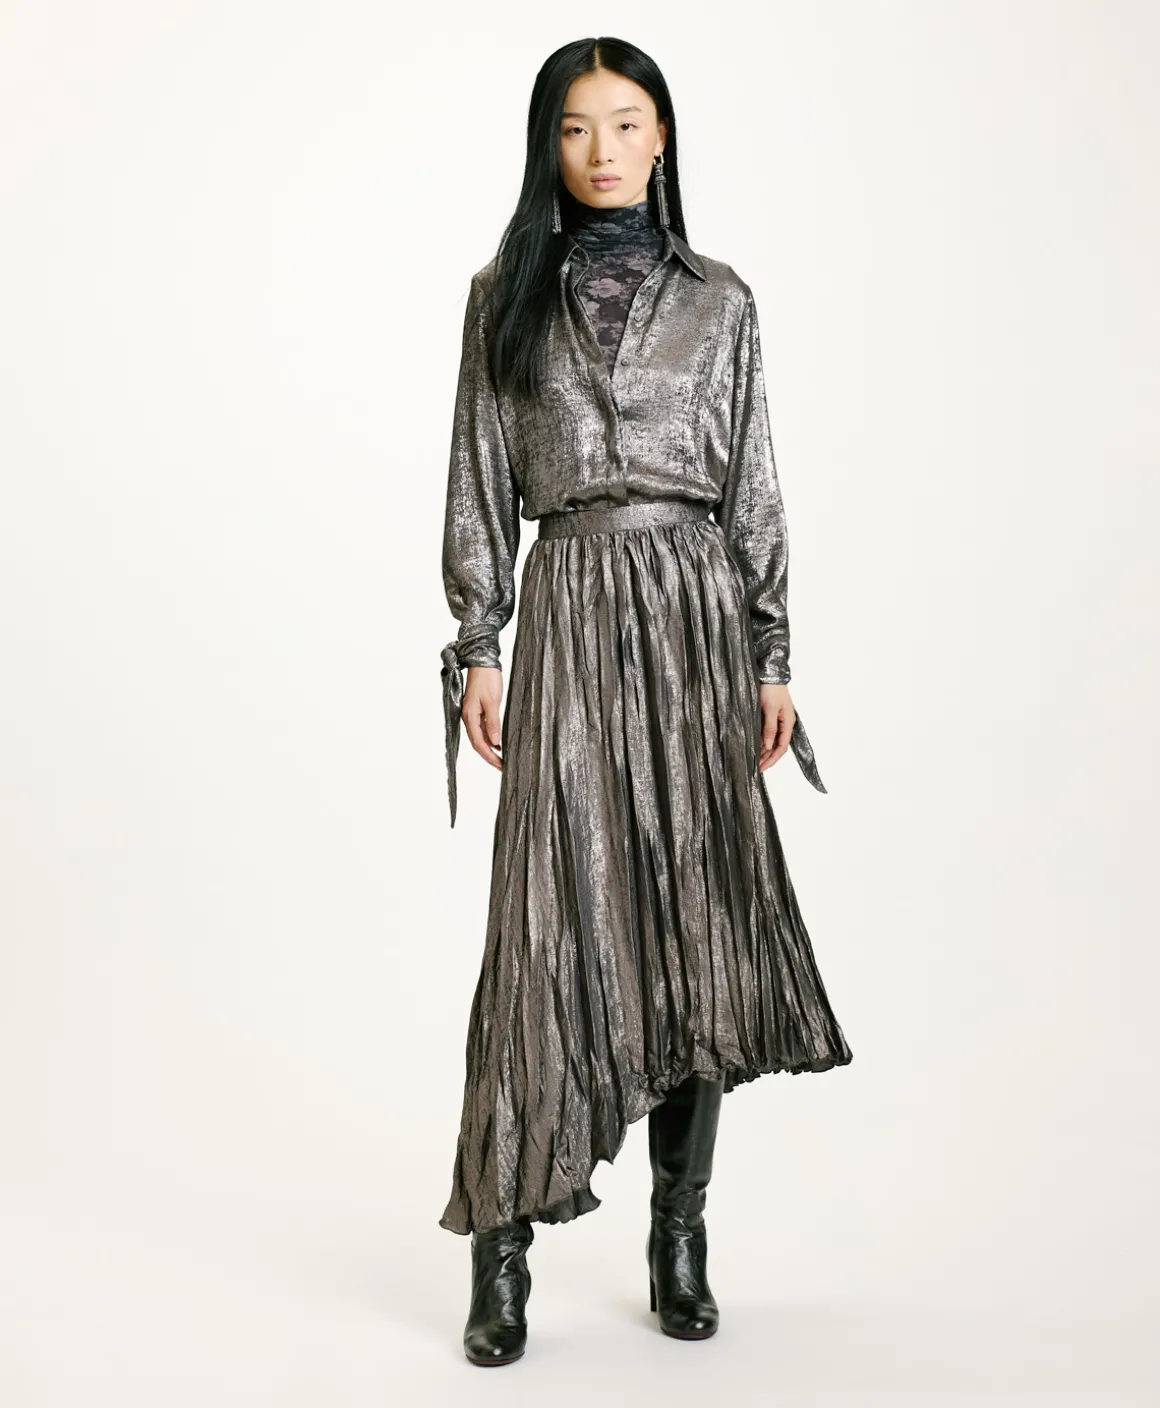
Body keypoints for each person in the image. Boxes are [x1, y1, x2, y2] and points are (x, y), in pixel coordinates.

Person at [437, 36, 853, 1366]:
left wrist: (770, 655)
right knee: (547, 927)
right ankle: (503, 1251)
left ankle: (682, 1234)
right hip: (566, 608)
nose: (603, 149)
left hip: (692, 620)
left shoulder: (720, 302)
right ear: (548, 145)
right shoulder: (502, 295)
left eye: (626, 123)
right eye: (576, 127)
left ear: (662, 136)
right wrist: (479, 643)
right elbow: (477, 474)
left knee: (689, 918)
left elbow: (755, 484)